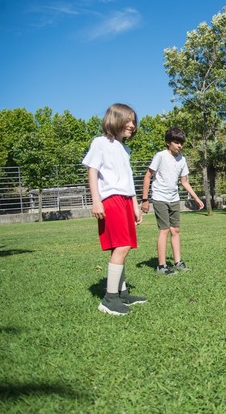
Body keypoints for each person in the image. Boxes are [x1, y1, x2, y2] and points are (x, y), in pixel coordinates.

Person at [82, 103, 147, 316]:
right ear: (114, 119)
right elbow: (93, 171)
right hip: (111, 199)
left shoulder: (124, 148)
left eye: (133, 121)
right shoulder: (100, 143)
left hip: (126, 200)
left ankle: (122, 292)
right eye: (127, 120)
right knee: (122, 245)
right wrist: (96, 200)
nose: (132, 125)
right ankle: (109, 300)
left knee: (122, 247)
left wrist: (136, 204)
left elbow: (128, 179)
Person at [141, 127, 204, 275]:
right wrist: (145, 199)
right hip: (159, 198)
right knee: (164, 230)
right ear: (168, 143)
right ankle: (161, 266)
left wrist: (196, 198)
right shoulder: (160, 156)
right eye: (176, 142)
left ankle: (178, 262)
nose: (180, 146)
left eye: (181, 143)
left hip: (174, 198)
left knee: (175, 230)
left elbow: (184, 182)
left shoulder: (182, 159)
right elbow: (147, 176)